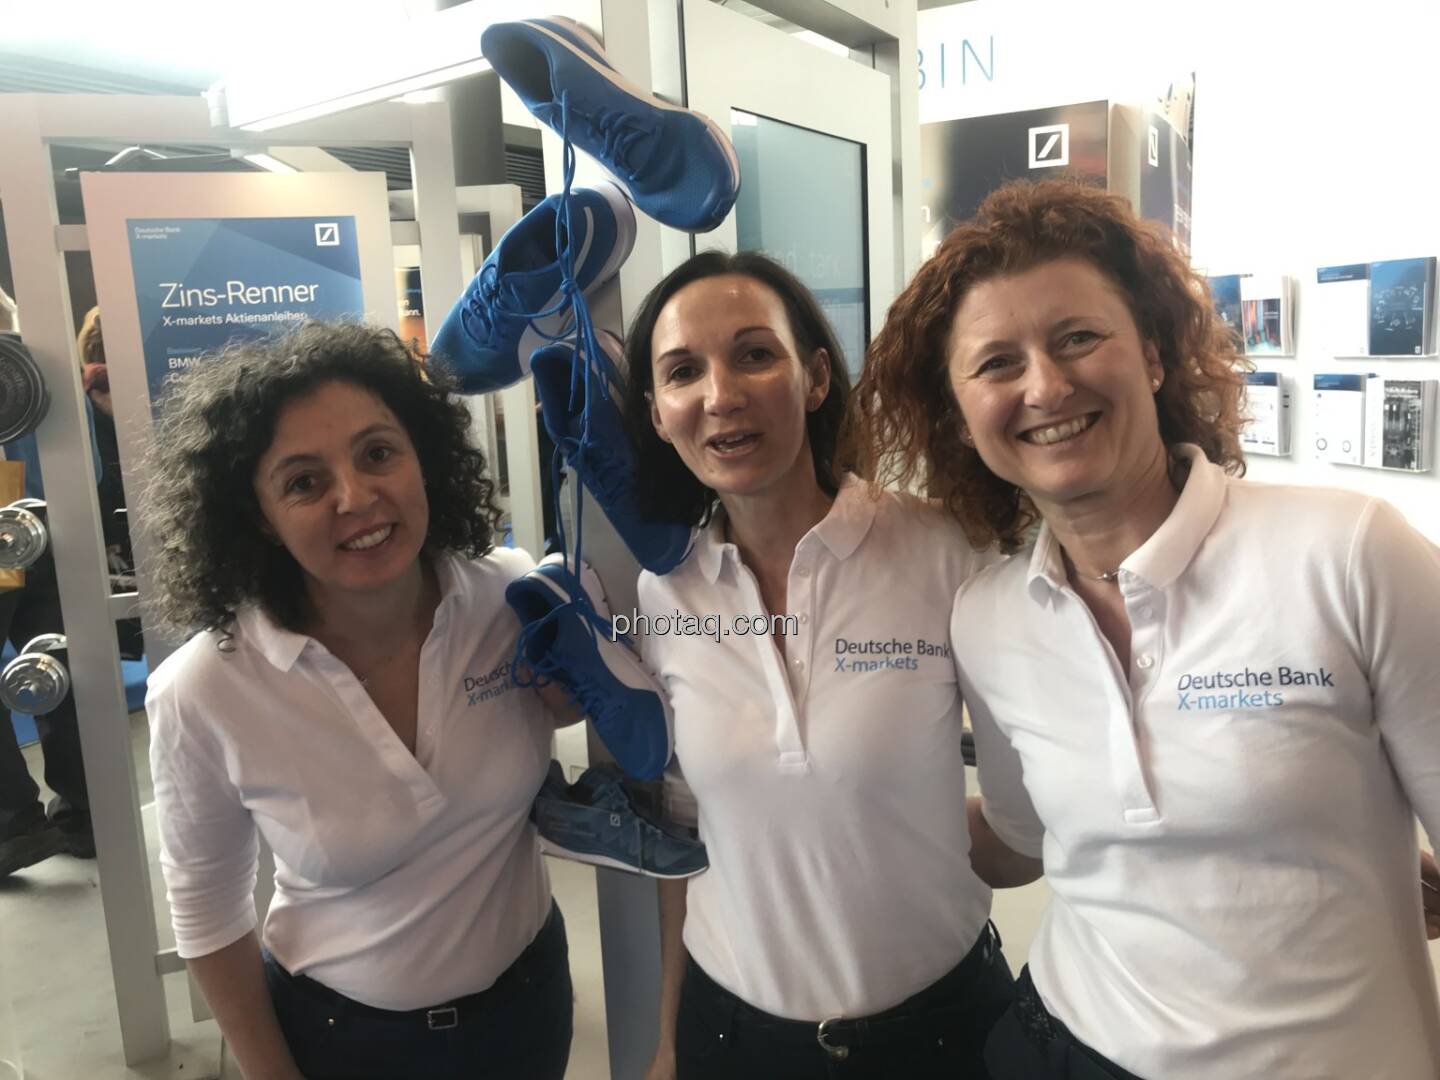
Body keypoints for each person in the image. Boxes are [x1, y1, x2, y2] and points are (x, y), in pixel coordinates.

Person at [850, 178, 1440, 1079]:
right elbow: (1020, 840)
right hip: (1062, 1044)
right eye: (997, 363)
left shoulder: (1349, 553)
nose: (1047, 385)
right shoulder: (988, 616)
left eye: (1078, 338)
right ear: (961, 420)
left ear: (1155, 356)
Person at [623, 251, 1022, 1080]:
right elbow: (685, 838)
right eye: (683, 371)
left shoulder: (944, 550)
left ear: (814, 378)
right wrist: (666, 1042)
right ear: (658, 414)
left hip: (941, 1033)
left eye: (754, 354)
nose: (721, 394)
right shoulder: (663, 593)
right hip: (733, 1038)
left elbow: (1030, 811)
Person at [143, 322, 574, 1080]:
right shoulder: (206, 688)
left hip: (528, 1008)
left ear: (423, 458)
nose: (356, 498)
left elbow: (576, 706)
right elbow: (207, 909)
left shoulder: (508, 596)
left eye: (378, 453)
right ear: (258, 516)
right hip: (343, 1041)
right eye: (304, 482)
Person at [0, 285, 98, 875]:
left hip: (5, 524)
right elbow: (93, 466)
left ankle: (14, 825)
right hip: (57, 527)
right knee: (62, 665)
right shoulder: (52, 365)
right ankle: (87, 810)